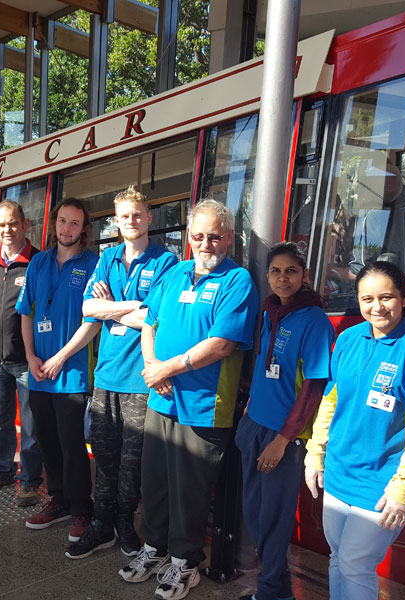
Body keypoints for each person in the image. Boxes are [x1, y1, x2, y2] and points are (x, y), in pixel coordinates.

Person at [120, 199, 258, 600]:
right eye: (198, 236)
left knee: (190, 491)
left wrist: (169, 368)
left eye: (214, 236)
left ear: (229, 237)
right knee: (156, 482)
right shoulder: (176, 273)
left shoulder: (238, 282)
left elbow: (221, 344)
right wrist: (151, 367)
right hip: (160, 398)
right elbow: (150, 323)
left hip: (203, 406)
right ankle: (155, 549)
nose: (205, 243)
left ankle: (185, 563)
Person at [304, 260, 405, 600]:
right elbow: (331, 400)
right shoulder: (348, 338)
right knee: (338, 558)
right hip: (339, 474)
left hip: (385, 482)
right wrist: (316, 454)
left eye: (386, 297)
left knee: (356, 563)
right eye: (367, 298)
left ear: (403, 296)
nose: (377, 307)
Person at [66, 186, 178, 560]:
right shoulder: (108, 257)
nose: (130, 221)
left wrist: (109, 306)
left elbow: (155, 316)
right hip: (105, 378)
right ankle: (101, 525)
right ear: (116, 221)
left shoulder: (166, 262)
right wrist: (124, 307)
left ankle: (125, 523)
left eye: (137, 214)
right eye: (123, 216)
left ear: (148, 217)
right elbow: (87, 308)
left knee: (132, 466)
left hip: (140, 381)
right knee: (104, 456)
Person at [234, 242, 334, 600]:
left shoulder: (315, 321)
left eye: (291, 271)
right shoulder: (268, 312)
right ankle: (275, 590)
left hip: (283, 437)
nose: (282, 278)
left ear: (304, 276)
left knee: (274, 521)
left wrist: (282, 440)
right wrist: (249, 414)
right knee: (255, 515)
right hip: (254, 427)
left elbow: (313, 388)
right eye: (275, 271)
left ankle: (271, 592)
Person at [15, 198, 101, 543]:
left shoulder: (94, 264)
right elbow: (26, 313)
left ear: (84, 229)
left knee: (72, 445)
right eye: (62, 221)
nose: (67, 229)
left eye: (74, 223)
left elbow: (93, 320)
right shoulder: (38, 262)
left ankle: (82, 509)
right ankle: (60, 500)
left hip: (71, 373)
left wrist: (61, 357)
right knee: (47, 441)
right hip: (38, 372)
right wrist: (31, 356)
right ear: (54, 224)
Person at [0, 200, 43, 507]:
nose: (8, 230)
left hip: (27, 360)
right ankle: (1, 470)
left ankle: (29, 480)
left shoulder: (39, 262)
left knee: (31, 425)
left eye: (13, 223)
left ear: (25, 225)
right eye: (1, 225)